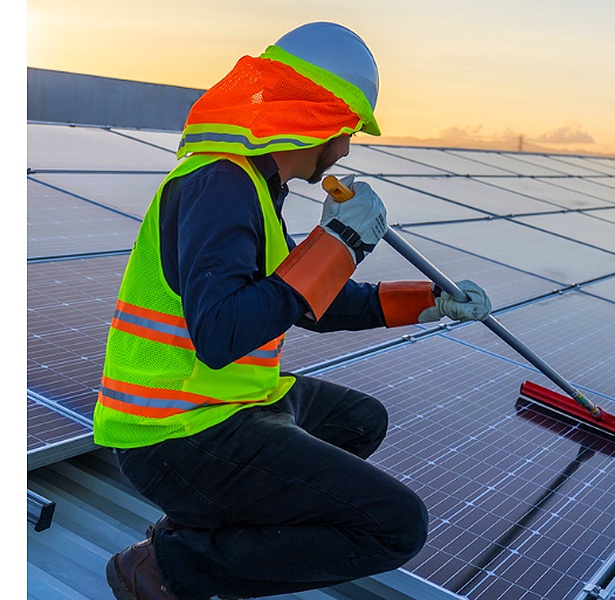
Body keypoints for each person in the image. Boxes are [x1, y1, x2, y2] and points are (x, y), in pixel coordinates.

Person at [93, 22, 492, 600]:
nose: (348, 148)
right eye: (348, 129)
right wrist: (341, 245)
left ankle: (200, 525)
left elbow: (307, 304)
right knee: (396, 525)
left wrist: (428, 301)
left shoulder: (253, 184)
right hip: (171, 434)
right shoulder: (220, 183)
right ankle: (168, 567)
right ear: (317, 118)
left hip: (218, 404)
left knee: (361, 420)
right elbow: (223, 331)